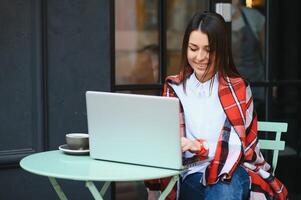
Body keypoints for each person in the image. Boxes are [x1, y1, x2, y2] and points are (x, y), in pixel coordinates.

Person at [144, 11, 287, 200]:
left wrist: (198, 146)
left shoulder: (238, 89)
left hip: (234, 169)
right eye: (193, 48)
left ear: (221, 50)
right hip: (191, 173)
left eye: (208, 50)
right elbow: (165, 142)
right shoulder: (174, 88)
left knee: (223, 189)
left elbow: (238, 147)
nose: (200, 57)